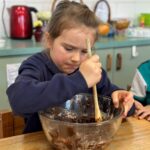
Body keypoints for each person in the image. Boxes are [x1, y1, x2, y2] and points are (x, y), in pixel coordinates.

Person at [6, 1, 135, 134]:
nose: (76, 59)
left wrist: (121, 99)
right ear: (49, 40)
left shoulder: (93, 72)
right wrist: (80, 80)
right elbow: (18, 101)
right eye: (68, 48)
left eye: (84, 51)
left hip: (84, 141)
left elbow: (117, 102)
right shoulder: (36, 66)